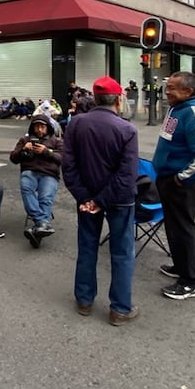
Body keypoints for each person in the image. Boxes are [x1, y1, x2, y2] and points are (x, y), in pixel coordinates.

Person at [61, 76, 140, 324]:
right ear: (118, 100)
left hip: (86, 196)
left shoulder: (76, 124)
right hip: (119, 199)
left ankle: (84, 300)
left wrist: (86, 197)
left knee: (87, 247)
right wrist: (101, 200)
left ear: (95, 99)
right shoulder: (127, 129)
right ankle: (120, 309)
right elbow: (127, 174)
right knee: (122, 252)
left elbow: (68, 166)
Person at [153, 71, 195, 301]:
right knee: (173, 226)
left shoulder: (194, 111)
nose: (167, 92)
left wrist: (182, 178)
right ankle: (180, 266)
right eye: (167, 87)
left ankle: (190, 282)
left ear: (188, 91)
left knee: (183, 228)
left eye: (172, 88)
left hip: (181, 182)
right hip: (168, 178)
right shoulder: (176, 107)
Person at [11, 114, 63, 246]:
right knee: (27, 189)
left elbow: (64, 159)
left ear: (48, 128)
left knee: (45, 198)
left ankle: (38, 230)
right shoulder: (25, 139)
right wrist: (23, 150)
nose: (40, 130)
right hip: (30, 171)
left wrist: (46, 151)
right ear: (32, 127)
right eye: (37, 127)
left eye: (42, 127)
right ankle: (43, 223)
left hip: (49, 174)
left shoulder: (56, 141)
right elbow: (13, 158)